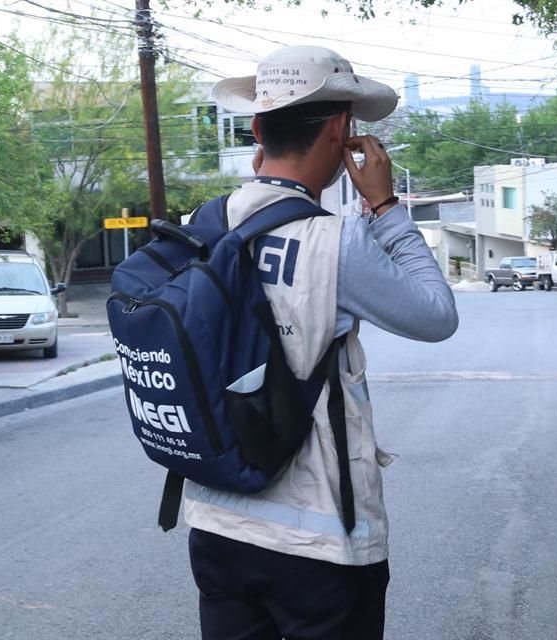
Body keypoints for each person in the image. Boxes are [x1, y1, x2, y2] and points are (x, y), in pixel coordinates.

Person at [184, 45, 459, 640]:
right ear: (341, 131)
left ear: (258, 128)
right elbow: (437, 316)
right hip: (319, 540)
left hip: (216, 520)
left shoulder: (203, 226)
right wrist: (384, 206)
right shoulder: (337, 243)